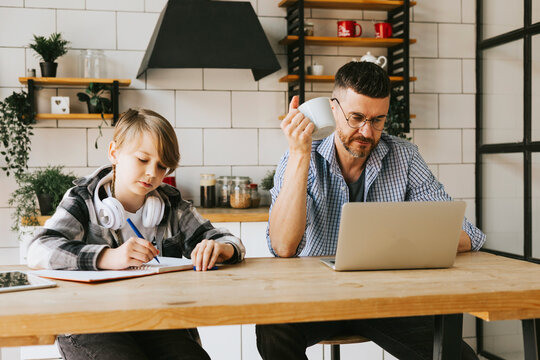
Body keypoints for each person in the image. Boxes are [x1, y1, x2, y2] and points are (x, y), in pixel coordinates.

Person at [256, 61, 486, 360]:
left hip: (387, 300)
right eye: (356, 117)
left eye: (378, 120)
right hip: (313, 296)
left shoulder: (404, 157)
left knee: (460, 357)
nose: (367, 131)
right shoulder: (299, 156)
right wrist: (301, 154)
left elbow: (469, 236)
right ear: (333, 109)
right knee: (272, 330)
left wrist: (400, 240)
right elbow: (283, 246)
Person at [27, 108, 246, 360]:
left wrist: (222, 248)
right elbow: (38, 249)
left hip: (154, 321)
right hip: (89, 322)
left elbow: (227, 240)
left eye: (162, 166)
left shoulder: (172, 206)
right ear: (114, 152)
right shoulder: (83, 199)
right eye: (143, 159)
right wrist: (108, 257)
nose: (152, 173)